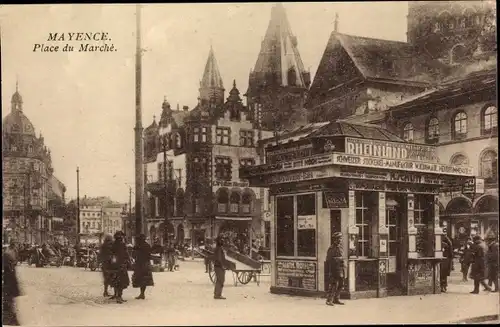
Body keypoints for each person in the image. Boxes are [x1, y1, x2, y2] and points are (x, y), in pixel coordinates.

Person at [3, 240, 21, 326]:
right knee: (8, 302)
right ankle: (10, 320)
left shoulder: (11, 252)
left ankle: (11, 319)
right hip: (8, 286)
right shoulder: (7, 254)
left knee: (9, 302)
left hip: (8, 285)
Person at [110, 231, 131, 303]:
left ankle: (117, 295)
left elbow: (111, 255)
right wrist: (128, 262)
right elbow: (126, 254)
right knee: (121, 282)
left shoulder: (113, 245)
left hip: (115, 266)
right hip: (121, 265)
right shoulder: (122, 245)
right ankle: (119, 296)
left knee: (116, 281)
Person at [132, 234, 154, 299]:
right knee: (144, 279)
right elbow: (149, 255)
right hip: (146, 264)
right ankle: (142, 293)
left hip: (139, 264)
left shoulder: (137, 246)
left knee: (140, 279)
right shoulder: (147, 245)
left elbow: (133, 255)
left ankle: (142, 294)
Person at [325, 232, 345, 306]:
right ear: (335, 240)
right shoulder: (331, 248)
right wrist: (338, 259)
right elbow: (328, 260)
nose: (340, 240)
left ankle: (336, 299)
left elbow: (343, 256)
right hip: (334, 269)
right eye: (338, 239)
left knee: (341, 284)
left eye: (340, 238)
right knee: (333, 285)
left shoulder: (340, 247)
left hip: (341, 269)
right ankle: (329, 300)